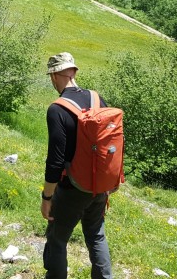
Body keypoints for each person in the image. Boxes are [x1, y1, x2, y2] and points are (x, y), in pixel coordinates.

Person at [40, 52, 113, 279]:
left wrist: (47, 198)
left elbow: (55, 161)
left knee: (57, 239)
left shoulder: (57, 109)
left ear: (54, 76)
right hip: (99, 185)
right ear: (74, 72)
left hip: (72, 188)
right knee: (96, 235)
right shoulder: (97, 99)